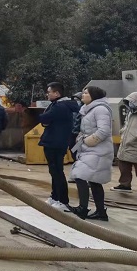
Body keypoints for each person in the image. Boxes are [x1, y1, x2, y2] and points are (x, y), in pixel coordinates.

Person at [68, 86, 113, 221]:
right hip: (89, 149)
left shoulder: (100, 109)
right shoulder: (87, 109)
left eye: (86, 93)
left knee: (80, 175)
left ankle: (83, 208)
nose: (83, 94)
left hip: (99, 150)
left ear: (93, 95)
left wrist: (88, 141)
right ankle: (100, 212)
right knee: (94, 180)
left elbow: (104, 130)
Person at [38, 82, 80, 210]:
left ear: (57, 93)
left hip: (56, 142)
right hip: (54, 141)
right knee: (54, 171)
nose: (47, 94)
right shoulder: (58, 104)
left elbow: (44, 118)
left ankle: (63, 201)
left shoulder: (60, 106)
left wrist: (40, 117)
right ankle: (55, 197)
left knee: (57, 172)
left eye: (49, 91)